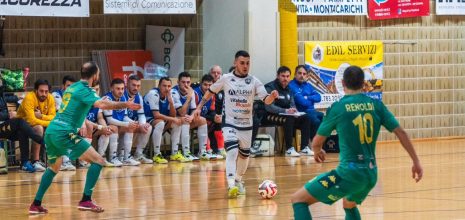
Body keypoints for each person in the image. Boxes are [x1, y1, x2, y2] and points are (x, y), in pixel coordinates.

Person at [290, 66, 423, 220]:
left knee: (298, 200)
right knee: (349, 203)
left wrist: (318, 150)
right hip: (371, 175)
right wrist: (416, 161)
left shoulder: (338, 107)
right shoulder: (376, 105)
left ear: (342, 82)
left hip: (348, 175)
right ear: (363, 83)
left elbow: (317, 142)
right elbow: (401, 133)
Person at [29, 61, 141, 214]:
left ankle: (36, 204)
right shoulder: (85, 90)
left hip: (52, 131)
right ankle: (86, 200)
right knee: (99, 161)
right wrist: (125, 105)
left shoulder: (72, 87)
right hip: (64, 132)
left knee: (54, 168)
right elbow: (101, 104)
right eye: (98, 74)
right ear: (95, 75)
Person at [193, 50, 279, 198]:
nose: (245, 66)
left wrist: (272, 96)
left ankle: (238, 180)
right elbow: (210, 92)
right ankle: (231, 184)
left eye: (247, 63)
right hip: (230, 122)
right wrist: (199, 107)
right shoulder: (226, 78)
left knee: (245, 155)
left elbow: (266, 100)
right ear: (235, 63)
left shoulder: (254, 81)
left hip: (246, 123)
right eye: (242, 63)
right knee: (232, 151)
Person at [261, 66, 312, 157]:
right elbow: (269, 107)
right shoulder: (270, 87)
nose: (285, 79)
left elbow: (292, 104)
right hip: (269, 115)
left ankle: (304, 148)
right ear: (277, 76)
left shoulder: (289, 88)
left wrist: (294, 110)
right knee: (289, 118)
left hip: (286, 115)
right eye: (283, 76)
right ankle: (289, 149)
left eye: (288, 76)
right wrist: (286, 110)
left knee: (306, 118)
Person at [143, 77, 189, 163]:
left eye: (169, 86)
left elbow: (173, 115)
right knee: (161, 123)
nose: (167, 88)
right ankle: (156, 154)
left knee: (178, 122)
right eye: (164, 86)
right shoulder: (153, 93)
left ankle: (174, 153)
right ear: (159, 86)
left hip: (162, 118)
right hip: (147, 118)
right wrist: (172, 119)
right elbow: (156, 115)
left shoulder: (171, 94)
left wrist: (171, 102)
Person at [0, 84, 43, 172]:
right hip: (1, 127)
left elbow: (9, 98)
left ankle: (24, 163)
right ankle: (41, 140)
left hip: (4, 126)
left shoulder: (1, 92)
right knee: (19, 121)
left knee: (22, 130)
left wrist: (19, 98)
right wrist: (9, 114)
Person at [17, 79, 56, 172]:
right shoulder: (29, 98)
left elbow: (54, 117)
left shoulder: (50, 98)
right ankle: (35, 161)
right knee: (39, 128)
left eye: (46, 91)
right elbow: (32, 121)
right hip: (21, 126)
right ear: (36, 90)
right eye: (41, 91)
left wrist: (42, 116)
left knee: (55, 128)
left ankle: (59, 161)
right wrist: (49, 121)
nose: (44, 94)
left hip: (38, 124)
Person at [172, 71, 213, 161]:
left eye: (188, 82)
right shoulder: (174, 92)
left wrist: (191, 116)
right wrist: (189, 97)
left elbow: (194, 109)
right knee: (185, 118)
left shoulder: (191, 91)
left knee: (202, 120)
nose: (186, 85)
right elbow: (181, 113)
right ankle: (186, 152)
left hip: (184, 119)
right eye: (183, 82)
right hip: (173, 119)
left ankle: (202, 152)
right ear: (178, 82)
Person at [102, 78, 140, 166]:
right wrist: (127, 124)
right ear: (111, 88)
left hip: (118, 124)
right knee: (115, 127)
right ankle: (112, 158)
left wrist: (133, 122)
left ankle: (126, 157)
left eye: (122, 88)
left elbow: (125, 117)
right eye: (118, 88)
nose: (121, 91)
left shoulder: (123, 98)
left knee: (130, 127)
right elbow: (109, 120)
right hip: (106, 125)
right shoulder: (107, 99)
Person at [288, 65, 324, 156]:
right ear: (295, 74)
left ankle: (316, 144)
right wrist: (310, 99)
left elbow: (319, 97)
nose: (302, 76)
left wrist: (307, 97)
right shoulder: (292, 85)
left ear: (307, 76)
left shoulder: (308, 85)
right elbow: (303, 102)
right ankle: (313, 145)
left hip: (312, 111)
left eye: (304, 74)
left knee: (324, 118)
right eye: (299, 73)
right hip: (302, 113)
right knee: (315, 120)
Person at [85, 84, 119, 167]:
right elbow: (84, 121)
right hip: (79, 129)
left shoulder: (99, 102)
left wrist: (104, 127)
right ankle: (84, 161)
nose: (95, 92)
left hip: (93, 127)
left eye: (97, 90)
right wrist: (100, 127)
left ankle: (101, 157)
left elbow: (100, 118)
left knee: (109, 130)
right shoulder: (83, 101)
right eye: (93, 90)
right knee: (89, 126)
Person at [123, 75, 153, 164]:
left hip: (132, 122)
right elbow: (123, 116)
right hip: (121, 122)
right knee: (131, 126)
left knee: (148, 127)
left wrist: (143, 124)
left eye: (138, 86)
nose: (136, 88)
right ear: (127, 84)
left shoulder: (139, 97)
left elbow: (141, 114)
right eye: (133, 85)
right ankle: (126, 156)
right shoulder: (122, 95)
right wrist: (138, 124)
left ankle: (138, 154)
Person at [194, 74, 224, 160]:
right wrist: (212, 117)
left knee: (219, 120)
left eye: (210, 85)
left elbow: (211, 110)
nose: (207, 87)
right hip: (194, 118)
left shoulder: (212, 95)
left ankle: (220, 149)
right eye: (205, 84)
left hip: (204, 117)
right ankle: (207, 150)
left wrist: (215, 116)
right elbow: (194, 111)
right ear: (201, 84)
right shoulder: (195, 93)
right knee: (204, 121)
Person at [52, 75, 77, 171]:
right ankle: (65, 161)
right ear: (63, 86)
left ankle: (83, 161)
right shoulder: (56, 94)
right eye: (68, 86)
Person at [209, 65, 226, 158]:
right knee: (216, 120)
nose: (216, 74)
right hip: (208, 113)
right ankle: (217, 149)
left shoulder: (224, 87)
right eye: (213, 72)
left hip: (220, 114)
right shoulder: (207, 85)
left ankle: (221, 148)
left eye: (218, 73)